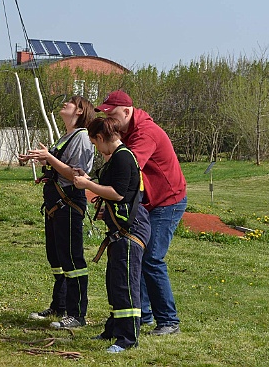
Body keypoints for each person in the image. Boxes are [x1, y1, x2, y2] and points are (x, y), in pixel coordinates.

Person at [96, 90, 187, 336]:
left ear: (127, 112)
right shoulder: (128, 131)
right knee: (139, 255)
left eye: (111, 115)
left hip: (167, 202)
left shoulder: (145, 134)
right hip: (148, 203)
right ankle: (143, 314)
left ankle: (169, 321)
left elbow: (127, 171)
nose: (110, 121)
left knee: (151, 258)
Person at [73, 117, 150, 353]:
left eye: (95, 144)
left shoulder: (123, 157)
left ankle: (127, 338)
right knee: (115, 283)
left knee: (125, 285)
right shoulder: (118, 157)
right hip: (120, 228)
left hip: (131, 230)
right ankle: (114, 329)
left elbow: (117, 193)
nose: (96, 148)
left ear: (100, 138)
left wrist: (87, 185)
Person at [19, 95, 96, 329]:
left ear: (80, 111)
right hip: (55, 206)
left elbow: (76, 176)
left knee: (73, 259)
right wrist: (42, 163)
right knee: (57, 258)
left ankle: (77, 314)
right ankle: (59, 305)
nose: (65, 104)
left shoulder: (82, 137)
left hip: (69, 205)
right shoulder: (67, 136)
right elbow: (59, 170)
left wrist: (49, 158)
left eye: (70, 103)